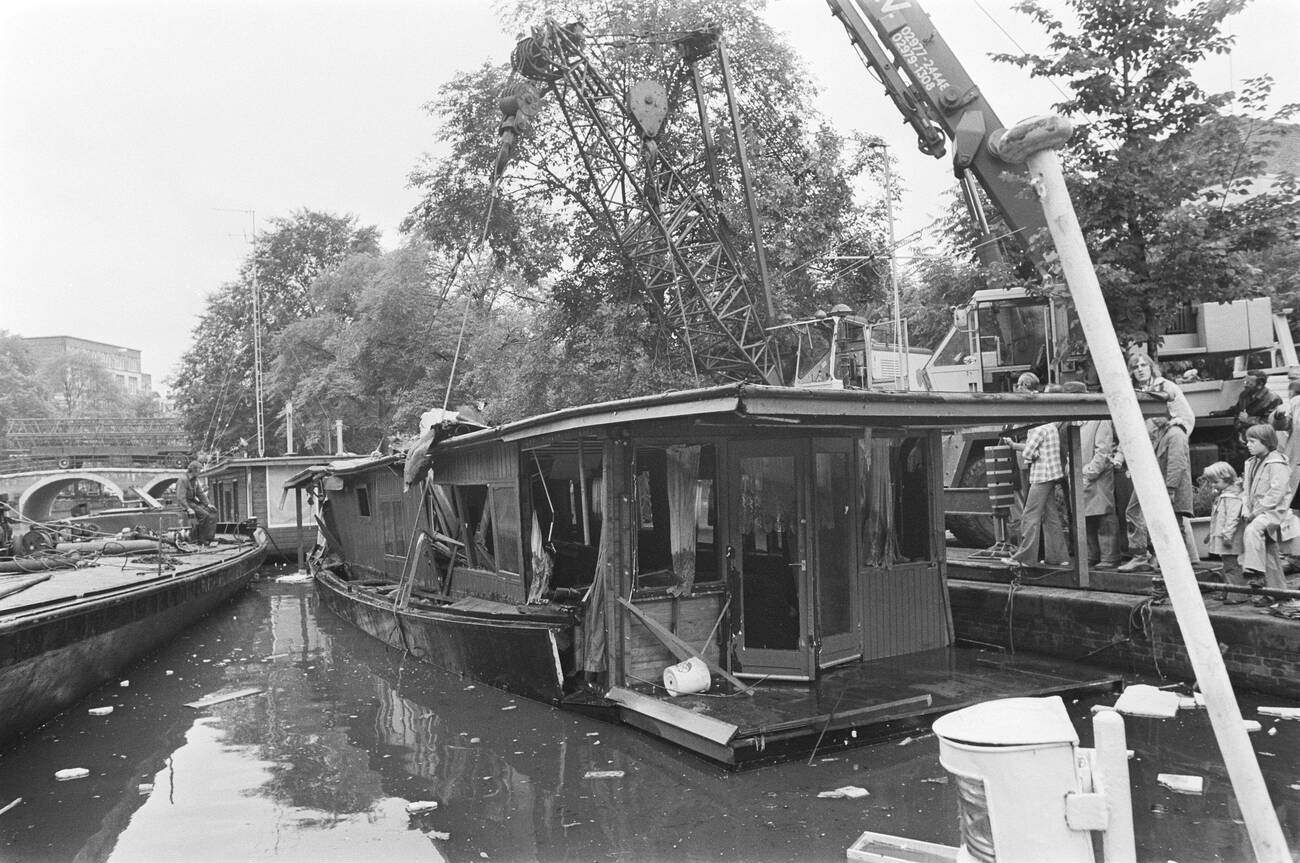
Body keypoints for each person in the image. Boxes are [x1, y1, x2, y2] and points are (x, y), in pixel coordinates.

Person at [1240, 423, 1299, 607]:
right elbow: (1246, 490)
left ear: (1266, 442)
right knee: (1268, 552)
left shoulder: (1277, 462)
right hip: (1257, 511)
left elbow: (1277, 492)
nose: (1248, 444)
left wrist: (1256, 512)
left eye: (1252, 441)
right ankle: (1277, 593)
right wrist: (1246, 509)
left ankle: (1255, 573)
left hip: (1274, 511)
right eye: (1247, 441)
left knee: (1253, 530)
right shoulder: (1251, 463)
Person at [1001, 415, 1069, 569]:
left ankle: (1024, 558)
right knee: (1051, 517)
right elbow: (1035, 448)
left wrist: (1033, 454)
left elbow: (1028, 453)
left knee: (1029, 516)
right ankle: (1059, 557)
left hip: (1041, 476)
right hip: (1052, 475)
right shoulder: (1050, 426)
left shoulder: (1037, 429)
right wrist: (1014, 445)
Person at [1068, 381, 1120, 568]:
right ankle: (1092, 555)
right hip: (1081, 475)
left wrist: (1088, 472)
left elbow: (1104, 451)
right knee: (1086, 516)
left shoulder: (1099, 417)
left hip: (1097, 477)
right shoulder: (1074, 419)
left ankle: (1109, 557)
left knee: (1104, 515)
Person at [1202, 461, 1249, 604]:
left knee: (1232, 566)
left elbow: (1232, 518)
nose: (1213, 485)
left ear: (1227, 478)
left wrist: (1227, 535)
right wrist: (1210, 534)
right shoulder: (1224, 495)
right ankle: (1228, 590)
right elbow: (1218, 519)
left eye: (1215, 482)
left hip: (1229, 538)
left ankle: (1238, 594)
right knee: (1227, 565)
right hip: (1224, 536)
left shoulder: (1232, 497)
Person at [1223, 369, 1282, 441]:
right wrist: (1219, 413)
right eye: (1245, 382)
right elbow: (1237, 409)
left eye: (1248, 383)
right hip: (1243, 438)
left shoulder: (1273, 399)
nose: (1245, 385)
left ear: (1260, 384)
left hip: (1262, 441)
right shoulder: (1244, 395)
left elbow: (1270, 423)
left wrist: (1248, 419)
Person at [176, 459, 217, 545]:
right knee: (204, 515)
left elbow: (200, 493)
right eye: (199, 470)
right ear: (193, 470)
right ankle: (199, 539)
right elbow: (180, 497)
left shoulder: (195, 480)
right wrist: (188, 509)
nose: (200, 472)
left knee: (212, 512)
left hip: (192, 501)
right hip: (186, 503)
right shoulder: (183, 480)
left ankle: (209, 537)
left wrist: (208, 504)